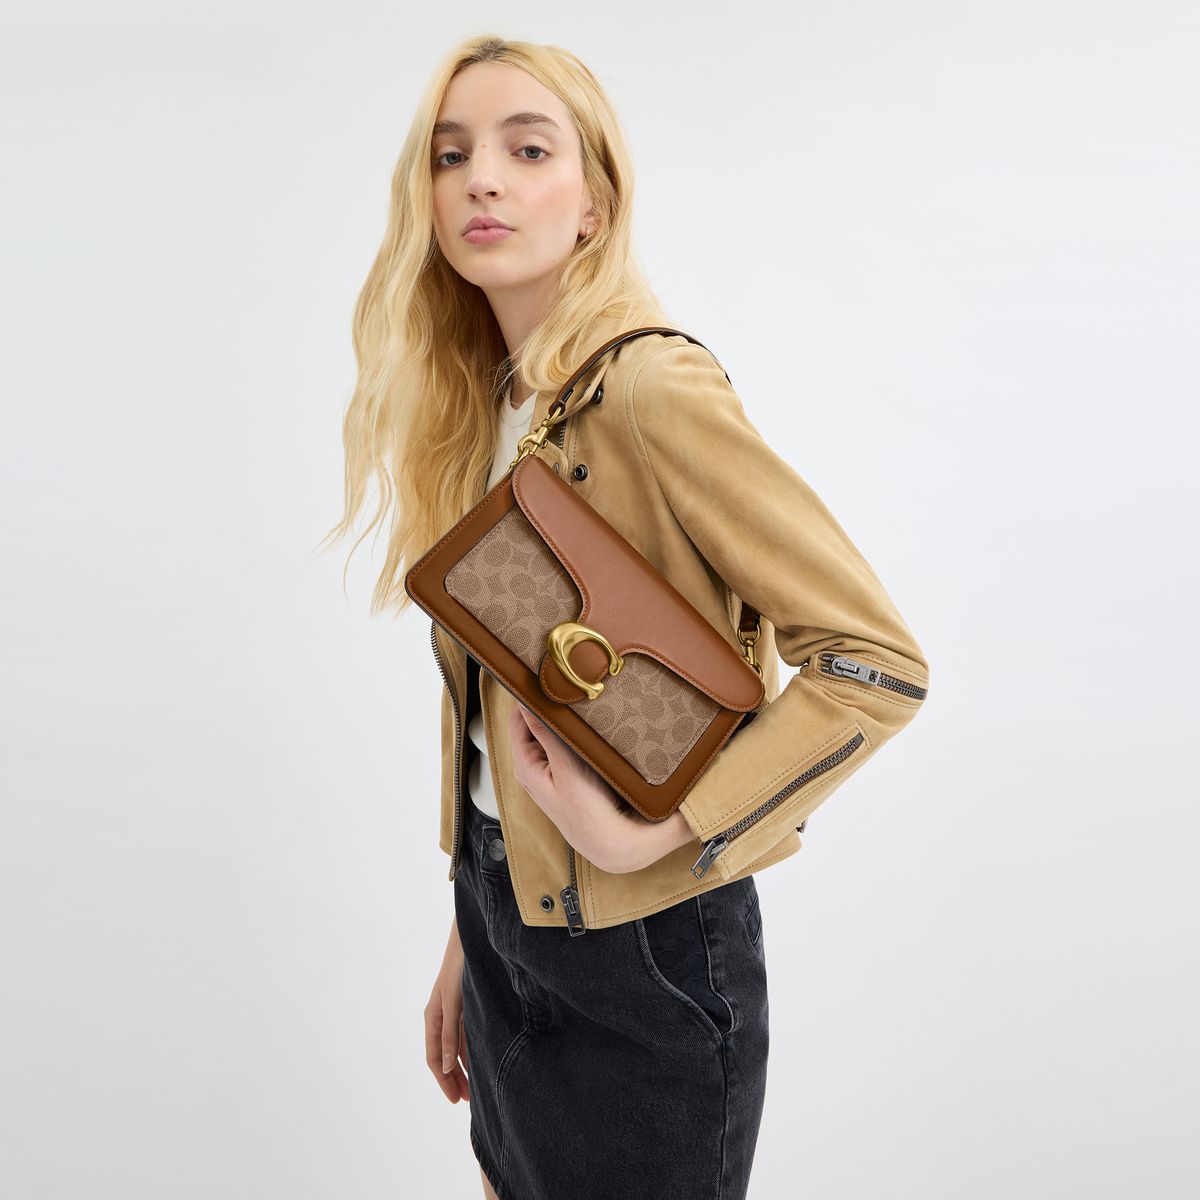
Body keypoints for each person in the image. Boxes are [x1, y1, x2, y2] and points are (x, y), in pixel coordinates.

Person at [326, 33, 930, 1200]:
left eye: (527, 149)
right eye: (451, 155)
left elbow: (874, 662)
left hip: (648, 955)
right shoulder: (489, 408)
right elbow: (505, 708)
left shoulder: (650, 388)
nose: (482, 180)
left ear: (594, 203)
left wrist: (659, 834)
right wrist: (471, 932)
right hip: (506, 924)